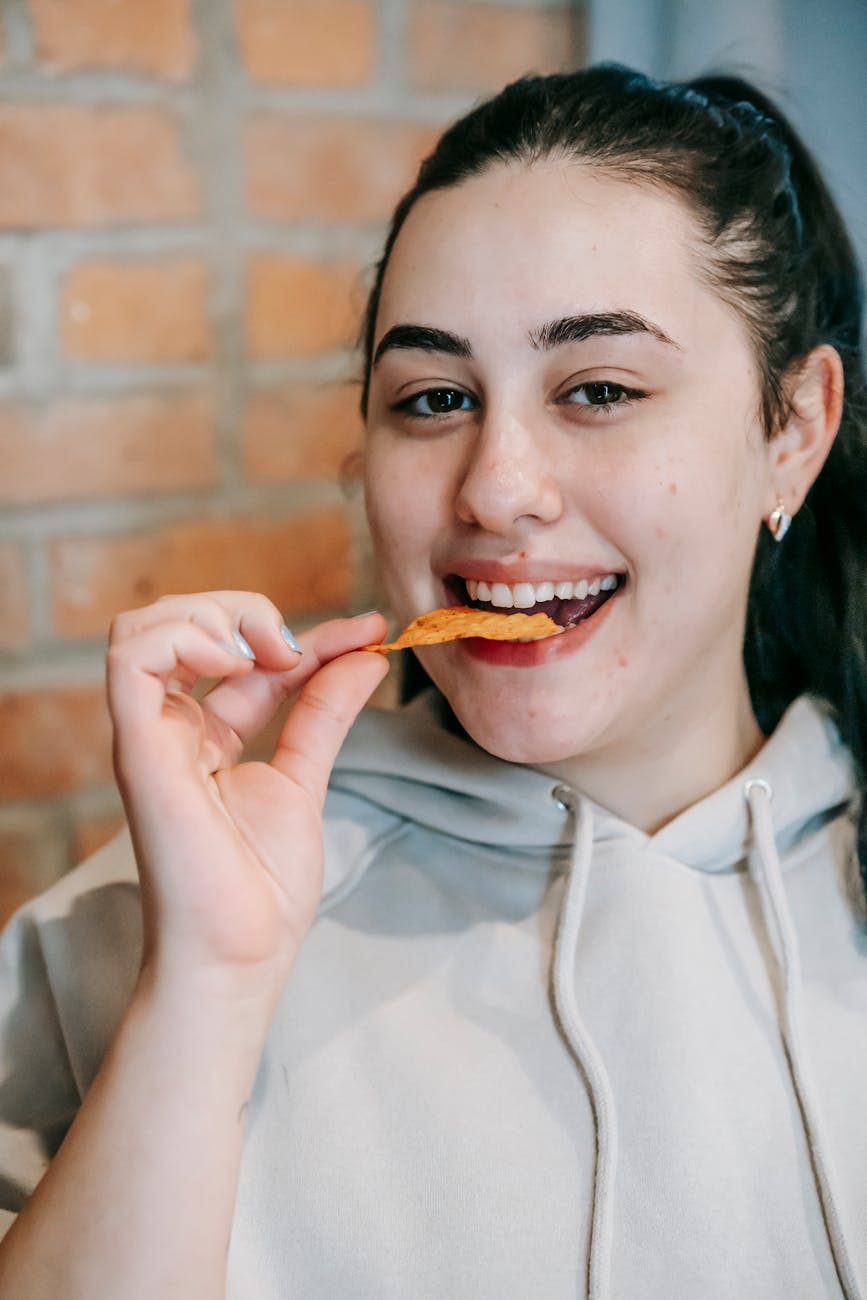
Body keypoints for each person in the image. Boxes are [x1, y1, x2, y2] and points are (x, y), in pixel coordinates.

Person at [0, 63, 864, 1300]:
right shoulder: (142, 928)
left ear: (794, 429)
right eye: (436, 397)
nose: (496, 487)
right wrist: (205, 987)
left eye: (600, 389)